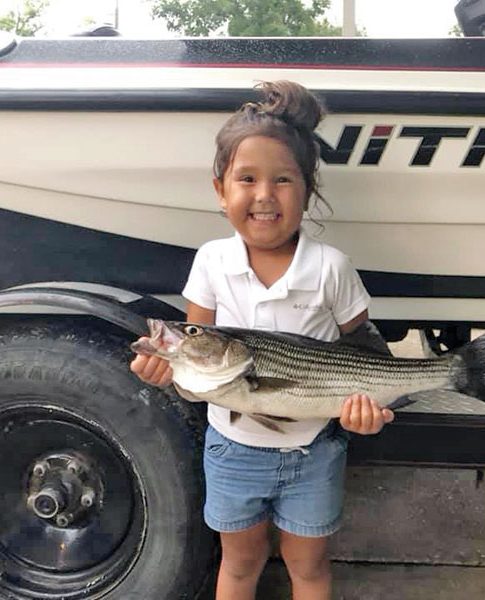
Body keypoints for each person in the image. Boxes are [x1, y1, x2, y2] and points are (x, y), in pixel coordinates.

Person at [130, 80, 394, 600]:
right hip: (231, 450)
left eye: (283, 180)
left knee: (310, 566)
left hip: (315, 449)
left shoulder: (331, 268)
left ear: (308, 187)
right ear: (220, 189)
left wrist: (375, 410)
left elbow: (370, 355)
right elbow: (194, 364)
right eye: (246, 178)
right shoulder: (211, 261)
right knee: (239, 563)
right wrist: (168, 369)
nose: (264, 195)